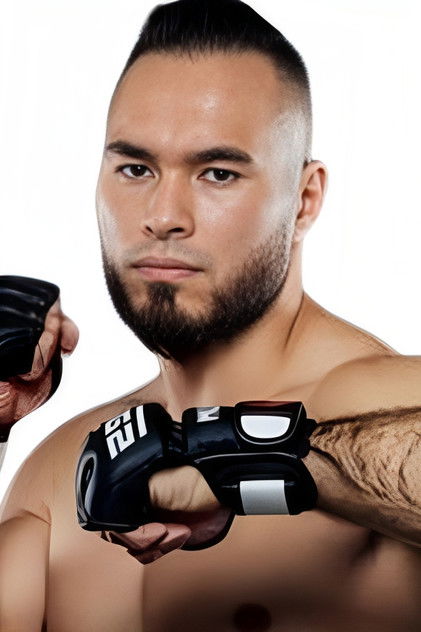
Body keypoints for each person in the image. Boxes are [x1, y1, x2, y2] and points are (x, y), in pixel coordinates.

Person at [1, 0, 420, 630]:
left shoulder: (381, 404)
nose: (163, 216)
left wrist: (233, 461)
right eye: (135, 168)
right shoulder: (59, 472)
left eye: (217, 173)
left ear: (304, 201)